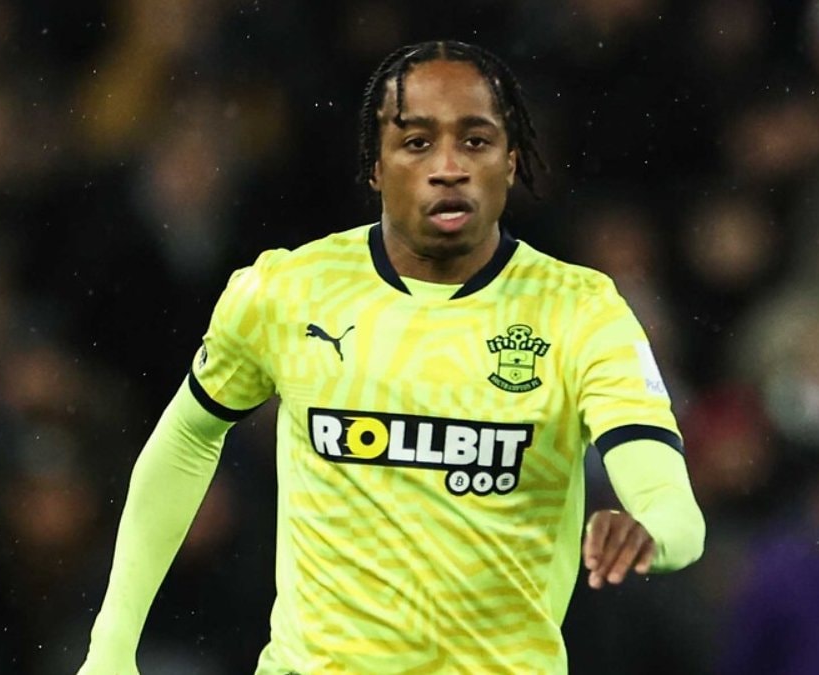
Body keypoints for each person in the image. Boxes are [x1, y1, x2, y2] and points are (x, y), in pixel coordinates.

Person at [79, 40, 705, 674]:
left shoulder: (581, 312)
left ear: (511, 163)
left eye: (476, 141)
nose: (449, 167)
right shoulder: (286, 292)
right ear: (375, 167)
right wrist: (111, 647)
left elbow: (671, 502)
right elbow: (187, 438)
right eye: (417, 142)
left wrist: (650, 534)